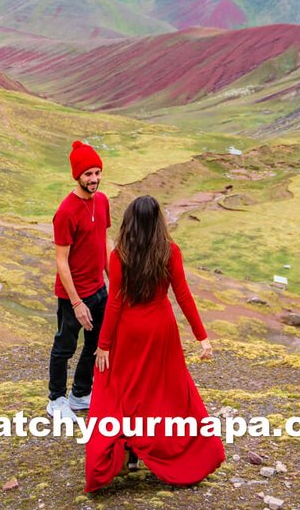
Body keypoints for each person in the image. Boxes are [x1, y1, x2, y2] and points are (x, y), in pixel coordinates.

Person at [84, 194, 224, 492]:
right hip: (161, 331)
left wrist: (104, 345)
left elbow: (115, 303)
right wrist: (202, 337)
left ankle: (130, 454)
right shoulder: (169, 251)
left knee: (126, 392)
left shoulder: (119, 255)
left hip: (130, 333)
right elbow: (183, 295)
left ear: (130, 222)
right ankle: (173, 453)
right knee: (163, 394)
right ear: (158, 222)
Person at [49, 140, 110, 420]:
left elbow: (103, 243)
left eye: (97, 172)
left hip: (100, 289)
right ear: (77, 176)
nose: (94, 179)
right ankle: (56, 399)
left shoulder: (103, 201)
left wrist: (114, 283)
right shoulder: (66, 212)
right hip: (73, 295)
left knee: (97, 344)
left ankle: (80, 394)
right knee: (65, 346)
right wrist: (76, 303)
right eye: (88, 174)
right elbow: (61, 261)